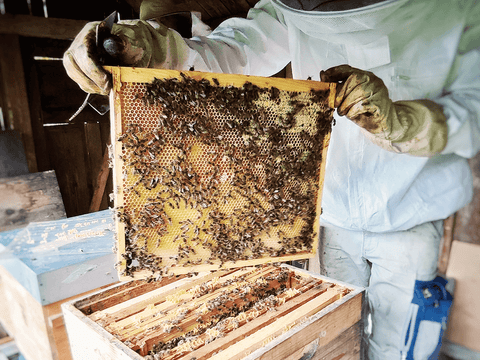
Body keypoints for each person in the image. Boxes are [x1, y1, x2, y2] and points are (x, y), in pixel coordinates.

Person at [63, 0, 480, 358]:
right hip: (331, 213)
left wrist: (402, 122)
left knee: (398, 345)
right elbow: (229, 51)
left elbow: (473, 112)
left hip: (412, 210)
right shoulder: (289, 10)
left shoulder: (460, 12)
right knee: (334, 336)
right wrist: (157, 48)